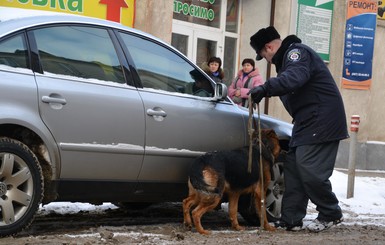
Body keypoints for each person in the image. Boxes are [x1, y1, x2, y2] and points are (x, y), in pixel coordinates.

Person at [248, 26, 349, 232]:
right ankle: (291, 219)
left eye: (263, 55)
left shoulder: (296, 54)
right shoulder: (287, 60)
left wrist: (266, 88)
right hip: (306, 122)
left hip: (322, 119)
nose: (266, 60)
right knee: (293, 168)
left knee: (309, 168)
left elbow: (296, 77)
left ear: (269, 47)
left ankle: (331, 212)